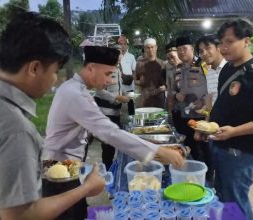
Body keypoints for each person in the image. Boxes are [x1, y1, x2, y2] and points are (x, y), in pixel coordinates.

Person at [0, 12, 106, 220]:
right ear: (34, 68)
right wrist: (86, 189)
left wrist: (66, 169)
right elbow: (21, 215)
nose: (55, 79)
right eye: (55, 70)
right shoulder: (14, 128)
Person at [42, 45, 185, 219]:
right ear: (91, 68)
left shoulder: (77, 88)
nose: (110, 81)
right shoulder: (74, 94)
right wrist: (156, 151)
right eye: (108, 74)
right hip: (60, 171)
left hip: (69, 166)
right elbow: (109, 132)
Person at [195, 19, 253, 220]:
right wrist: (206, 127)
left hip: (241, 152)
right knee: (223, 196)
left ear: (246, 41)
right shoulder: (228, 69)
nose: (223, 47)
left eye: (229, 41)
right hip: (220, 145)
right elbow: (223, 106)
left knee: (235, 199)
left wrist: (234, 131)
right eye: (221, 42)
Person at [170, 36, 208, 164]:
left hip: (200, 117)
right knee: (186, 148)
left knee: (202, 151)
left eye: (184, 49)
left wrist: (203, 100)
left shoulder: (203, 65)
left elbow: (213, 89)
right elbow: (173, 89)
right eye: (179, 49)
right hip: (182, 117)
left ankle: (205, 178)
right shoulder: (178, 68)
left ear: (192, 49)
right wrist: (176, 95)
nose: (182, 52)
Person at [94, 44, 130, 169]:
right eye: (116, 53)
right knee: (107, 145)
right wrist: (116, 98)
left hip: (116, 112)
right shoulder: (104, 69)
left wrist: (126, 94)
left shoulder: (118, 68)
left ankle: (112, 169)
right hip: (105, 113)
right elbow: (99, 91)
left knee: (114, 143)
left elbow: (119, 88)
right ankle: (107, 171)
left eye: (120, 53)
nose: (119, 56)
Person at [196, 34, 227, 108]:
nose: (204, 53)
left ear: (218, 47)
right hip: (215, 117)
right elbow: (212, 97)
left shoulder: (230, 68)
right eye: (201, 51)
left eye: (208, 48)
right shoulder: (209, 72)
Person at [135, 38, 166, 108]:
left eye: (152, 47)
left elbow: (167, 83)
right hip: (144, 98)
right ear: (145, 49)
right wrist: (140, 82)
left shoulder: (162, 64)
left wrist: (164, 87)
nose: (150, 50)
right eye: (148, 48)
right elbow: (135, 80)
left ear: (156, 47)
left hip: (159, 99)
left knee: (158, 118)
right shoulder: (140, 64)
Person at [118, 35, 136, 115]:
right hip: (118, 84)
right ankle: (117, 119)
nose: (122, 46)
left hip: (129, 84)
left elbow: (134, 70)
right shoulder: (115, 56)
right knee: (117, 103)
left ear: (126, 45)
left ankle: (132, 118)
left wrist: (132, 78)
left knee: (131, 102)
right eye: (120, 44)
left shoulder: (131, 56)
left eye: (124, 44)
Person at [164, 41, 182, 115]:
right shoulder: (169, 69)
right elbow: (170, 91)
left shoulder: (191, 66)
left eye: (173, 57)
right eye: (168, 58)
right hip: (175, 106)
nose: (171, 60)